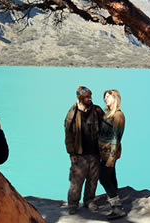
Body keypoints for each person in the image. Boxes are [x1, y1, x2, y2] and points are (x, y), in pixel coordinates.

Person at [64, 86, 104, 215]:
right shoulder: (73, 112)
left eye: (90, 96)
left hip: (95, 153)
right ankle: (73, 204)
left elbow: (105, 127)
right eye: (87, 97)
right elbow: (68, 134)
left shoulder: (97, 110)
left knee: (93, 179)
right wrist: (71, 153)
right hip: (79, 154)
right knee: (76, 181)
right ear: (80, 98)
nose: (89, 99)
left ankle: (89, 200)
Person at [98, 89, 126, 220]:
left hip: (110, 154)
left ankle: (117, 207)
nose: (105, 99)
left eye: (108, 97)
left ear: (115, 99)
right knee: (111, 177)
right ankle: (115, 207)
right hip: (103, 153)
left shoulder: (118, 115)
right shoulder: (108, 114)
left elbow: (116, 137)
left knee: (103, 178)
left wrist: (111, 157)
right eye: (105, 97)